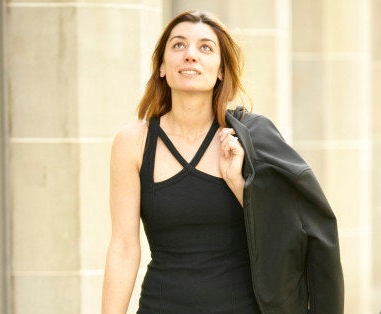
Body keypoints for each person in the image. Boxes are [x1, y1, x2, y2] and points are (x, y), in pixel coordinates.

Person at [101, 11, 344, 314]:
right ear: (162, 66)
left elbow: (289, 232)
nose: (190, 55)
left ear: (220, 70)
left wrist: (239, 184)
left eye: (205, 47)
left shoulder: (251, 138)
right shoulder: (132, 142)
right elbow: (124, 247)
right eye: (178, 45)